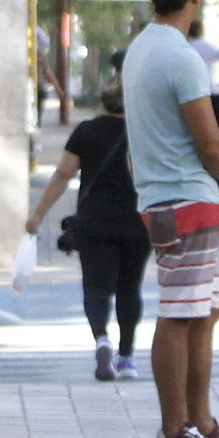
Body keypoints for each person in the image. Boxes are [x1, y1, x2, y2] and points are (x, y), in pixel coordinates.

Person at [124, 0, 219, 438]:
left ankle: (202, 421)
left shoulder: (140, 49)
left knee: (203, 310)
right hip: (186, 196)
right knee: (180, 313)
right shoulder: (182, 57)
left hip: (162, 196)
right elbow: (211, 141)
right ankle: (174, 429)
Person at [27, 75, 150, 382]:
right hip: (138, 221)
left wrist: (39, 214)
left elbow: (62, 174)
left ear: (103, 102)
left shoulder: (87, 131)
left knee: (96, 286)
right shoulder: (146, 131)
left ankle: (102, 339)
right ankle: (126, 357)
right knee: (130, 287)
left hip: (94, 221)